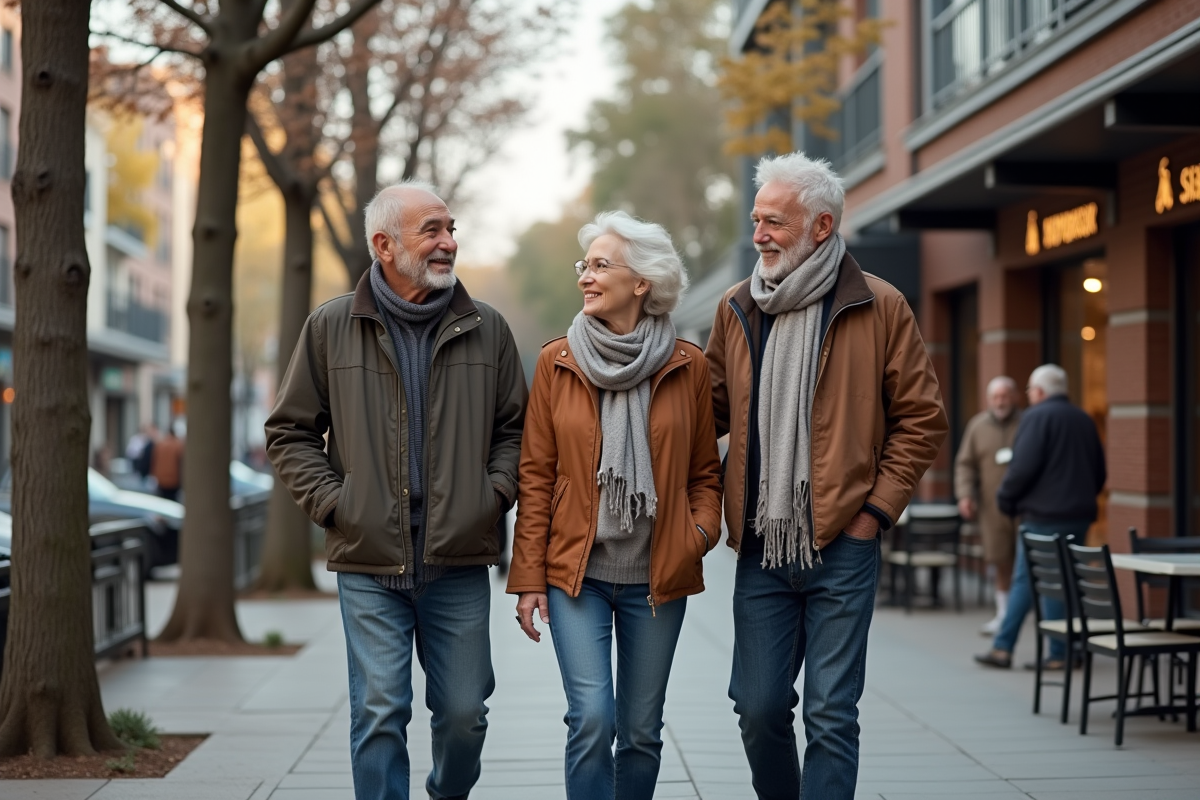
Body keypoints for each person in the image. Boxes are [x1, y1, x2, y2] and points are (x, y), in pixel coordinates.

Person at [264, 180, 527, 800]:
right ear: (384, 245)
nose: (448, 243)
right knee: (379, 714)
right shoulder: (330, 327)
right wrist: (336, 505)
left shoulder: (488, 329)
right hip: (369, 560)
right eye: (431, 230)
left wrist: (490, 497)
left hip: (458, 561)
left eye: (450, 228)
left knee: (465, 715)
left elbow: (516, 432)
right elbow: (289, 432)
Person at [706, 152, 947, 800]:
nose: (759, 234)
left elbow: (922, 420)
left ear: (820, 226)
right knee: (757, 708)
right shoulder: (736, 309)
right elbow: (705, 412)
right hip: (761, 547)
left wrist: (874, 515)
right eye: (757, 219)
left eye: (774, 221)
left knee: (831, 715)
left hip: (844, 543)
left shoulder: (881, 305)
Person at [508, 211, 722, 800]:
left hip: (658, 575)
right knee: (592, 718)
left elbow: (706, 474)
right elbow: (536, 478)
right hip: (577, 577)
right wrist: (528, 579)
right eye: (586, 265)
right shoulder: (558, 363)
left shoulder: (687, 365)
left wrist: (696, 536)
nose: (586, 277)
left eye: (601, 265)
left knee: (641, 732)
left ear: (642, 282)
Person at [975, 364, 1106, 671]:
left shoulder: (1036, 417)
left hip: (1043, 518)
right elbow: (1100, 472)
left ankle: (1040, 651)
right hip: (1079, 517)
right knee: (1064, 580)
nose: (1029, 397)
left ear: (1041, 392)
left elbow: (1021, 469)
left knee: (1035, 580)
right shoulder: (1084, 419)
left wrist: (1005, 500)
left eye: (1031, 391)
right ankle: (1051, 648)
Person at [955, 376, 1022, 634]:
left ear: (1015, 397)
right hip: (991, 507)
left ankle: (1026, 611)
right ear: (988, 399)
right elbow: (965, 464)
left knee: (1025, 561)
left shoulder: (1027, 423)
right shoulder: (977, 426)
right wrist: (965, 495)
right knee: (1000, 559)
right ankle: (1004, 614)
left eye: (1005, 396)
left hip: (1024, 506)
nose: (1000, 402)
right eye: (996, 397)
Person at [150, 423, 184, 501]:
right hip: (173, 481)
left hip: (161, 480)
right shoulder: (177, 445)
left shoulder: (160, 444)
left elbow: (154, 461)